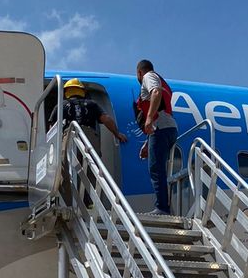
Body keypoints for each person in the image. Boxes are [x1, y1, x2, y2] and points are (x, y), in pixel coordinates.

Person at [135, 59, 177, 215]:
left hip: (161, 127)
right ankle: (164, 206)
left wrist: (149, 117)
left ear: (139, 72)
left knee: (156, 169)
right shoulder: (162, 80)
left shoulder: (148, 77)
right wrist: (147, 142)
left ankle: (162, 207)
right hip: (168, 128)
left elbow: (156, 92)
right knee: (159, 167)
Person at [57, 79, 128, 148]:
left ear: (66, 91)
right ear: (82, 91)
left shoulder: (62, 105)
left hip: (70, 136)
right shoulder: (91, 104)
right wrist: (117, 134)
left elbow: (52, 126)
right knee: (91, 159)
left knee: (68, 158)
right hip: (89, 136)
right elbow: (106, 119)